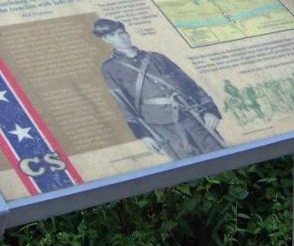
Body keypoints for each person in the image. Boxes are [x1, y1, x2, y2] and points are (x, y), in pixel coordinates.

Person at [92, 18, 224, 160]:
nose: (120, 38)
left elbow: (190, 84)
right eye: (112, 35)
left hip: (190, 115)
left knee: (218, 154)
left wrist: (210, 110)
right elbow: (122, 102)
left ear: (127, 33)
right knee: (187, 164)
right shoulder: (110, 68)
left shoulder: (156, 58)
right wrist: (143, 134)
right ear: (106, 39)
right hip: (162, 125)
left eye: (121, 33)